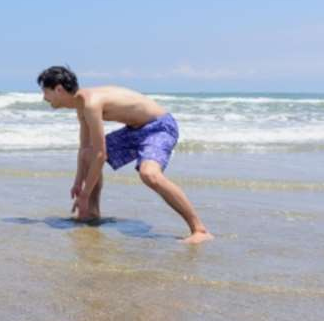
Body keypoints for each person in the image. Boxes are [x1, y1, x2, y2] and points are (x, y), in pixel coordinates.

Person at [37, 65, 213, 244]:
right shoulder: (81, 106)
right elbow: (85, 149)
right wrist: (77, 183)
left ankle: (199, 229)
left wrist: (84, 195)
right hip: (135, 130)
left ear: (58, 89)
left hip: (159, 127)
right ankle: (91, 214)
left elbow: (100, 153)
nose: (44, 98)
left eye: (45, 92)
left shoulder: (91, 103)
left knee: (149, 174)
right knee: (88, 155)